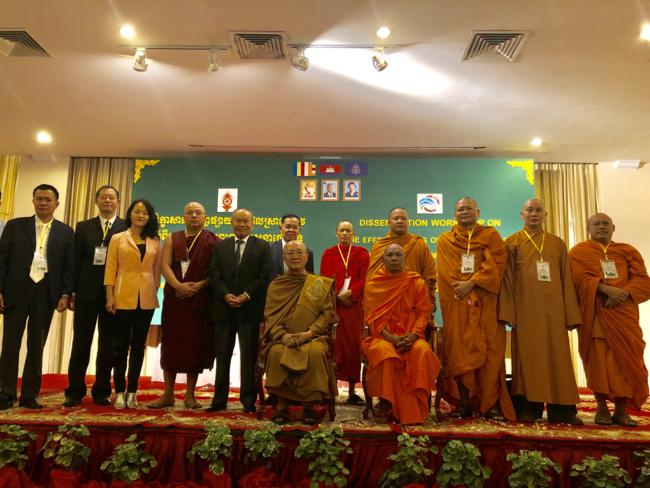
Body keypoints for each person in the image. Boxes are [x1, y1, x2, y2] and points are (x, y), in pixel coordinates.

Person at [499, 198, 583, 424]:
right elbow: (507, 280)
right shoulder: (512, 243)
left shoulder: (557, 243)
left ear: (545, 215)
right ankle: (530, 407)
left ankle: (562, 410)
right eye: (530, 210)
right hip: (525, 311)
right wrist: (508, 313)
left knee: (558, 358)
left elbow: (566, 280)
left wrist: (570, 314)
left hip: (555, 311)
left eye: (538, 210)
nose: (534, 214)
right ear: (522, 214)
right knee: (529, 360)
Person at [436, 197, 515, 420]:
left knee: (491, 353)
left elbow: (498, 264)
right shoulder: (445, 240)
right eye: (460, 209)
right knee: (460, 351)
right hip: (459, 305)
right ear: (454, 214)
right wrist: (466, 287)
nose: (465, 212)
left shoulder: (490, 235)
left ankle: (490, 403)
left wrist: (472, 283)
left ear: (477, 212)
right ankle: (464, 402)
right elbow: (446, 273)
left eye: (469, 209)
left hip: (487, 304)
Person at [569, 213, 650, 427]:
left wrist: (624, 293)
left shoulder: (627, 251)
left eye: (606, 224)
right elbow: (576, 280)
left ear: (613, 228)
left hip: (623, 315)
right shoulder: (578, 253)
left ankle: (621, 411)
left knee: (624, 363)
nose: (601, 227)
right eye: (596, 224)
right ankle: (602, 408)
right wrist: (604, 289)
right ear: (588, 228)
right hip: (595, 314)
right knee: (598, 364)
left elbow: (643, 280)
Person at [0, 184, 74, 410]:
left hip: (46, 292)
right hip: (16, 291)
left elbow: (69, 266)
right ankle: (5, 393)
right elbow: (2, 260)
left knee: (36, 345)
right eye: (39, 198)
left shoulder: (65, 232)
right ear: (33, 201)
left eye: (47, 199)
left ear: (56, 204)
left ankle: (30, 395)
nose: (43, 203)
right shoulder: (15, 226)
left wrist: (65, 293)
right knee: (10, 344)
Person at [148, 202, 219, 410]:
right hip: (175, 298)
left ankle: (190, 395)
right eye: (190, 212)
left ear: (205, 217)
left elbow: (215, 272)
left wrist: (198, 286)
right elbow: (164, 266)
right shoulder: (173, 238)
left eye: (198, 213)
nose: (194, 215)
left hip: (199, 300)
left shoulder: (213, 241)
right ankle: (168, 394)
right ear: (183, 217)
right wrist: (178, 285)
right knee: (171, 343)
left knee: (194, 346)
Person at [361, 244, 440, 425]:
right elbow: (372, 318)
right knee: (384, 352)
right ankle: (385, 402)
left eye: (398, 255)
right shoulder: (374, 283)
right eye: (390, 255)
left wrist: (413, 335)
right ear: (383, 259)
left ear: (404, 259)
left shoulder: (416, 282)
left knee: (422, 351)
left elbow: (423, 313)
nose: (394, 258)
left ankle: (416, 405)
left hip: (411, 335)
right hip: (383, 336)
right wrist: (392, 338)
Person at [63, 185, 127, 407]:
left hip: (113, 295)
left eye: (111, 197)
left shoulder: (126, 227)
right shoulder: (83, 227)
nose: (107, 200)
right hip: (86, 293)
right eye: (103, 197)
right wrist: (71, 291)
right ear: (96, 200)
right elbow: (74, 261)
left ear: (118, 202)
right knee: (81, 343)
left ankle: (101, 390)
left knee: (107, 345)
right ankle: (74, 391)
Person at [262, 240, 337, 425]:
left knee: (315, 353)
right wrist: (283, 335)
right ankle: (281, 406)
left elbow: (327, 313)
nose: (295, 257)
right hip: (283, 338)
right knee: (276, 352)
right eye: (290, 253)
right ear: (283, 258)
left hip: (313, 337)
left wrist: (309, 333)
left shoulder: (318, 283)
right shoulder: (276, 285)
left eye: (299, 252)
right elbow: (270, 315)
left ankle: (308, 407)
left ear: (306, 256)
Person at [207, 208, 271, 413]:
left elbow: (264, 276)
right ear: (231, 223)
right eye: (237, 221)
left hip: (250, 310)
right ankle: (219, 401)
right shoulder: (220, 246)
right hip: (223, 309)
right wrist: (225, 294)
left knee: (249, 358)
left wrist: (246, 295)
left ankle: (248, 401)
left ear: (252, 223)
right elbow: (214, 274)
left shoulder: (262, 246)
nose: (241, 224)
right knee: (222, 356)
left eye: (245, 221)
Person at [104, 199, 161, 409]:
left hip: (146, 299)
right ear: (130, 214)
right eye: (137, 211)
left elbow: (156, 272)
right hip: (122, 296)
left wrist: (153, 290)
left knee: (138, 346)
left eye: (145, 212)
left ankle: (132, 392)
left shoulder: (155, 241)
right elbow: (110, 269)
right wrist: (109, 296)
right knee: (120, 346)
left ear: (150, 216)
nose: (140, 215)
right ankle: (119, 391)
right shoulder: (118, 238)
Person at [320, 220, 369, 405]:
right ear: (336, 233)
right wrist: (335, 300)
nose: (344, 233)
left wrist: (351, 293)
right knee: (333, 348)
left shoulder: (361, 253)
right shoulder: (328, 253)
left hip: (354, 307)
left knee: (352, 348)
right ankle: (330, 390)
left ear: (353, 234)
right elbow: (324, 280)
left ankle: (351, 392)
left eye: (348, 230)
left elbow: (366, 278)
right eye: (341, 230)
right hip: (334, 307)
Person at [368, 207, 437, 307]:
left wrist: (429, 300)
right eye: (396, 218)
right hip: (386, 302)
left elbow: (429, 274)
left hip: (413, 301)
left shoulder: (418, 244)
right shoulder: (379, 246)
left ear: (408, 222)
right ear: (388, 222)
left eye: (403, 218)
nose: (400, 221)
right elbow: (372, 278)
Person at [270, 214, 314, 279]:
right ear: (280, 228)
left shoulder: (307, 252)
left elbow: (309, 277)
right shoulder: (269, 249)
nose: (291, 230)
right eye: (288, 227)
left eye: (295, 227)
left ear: (299, 230)